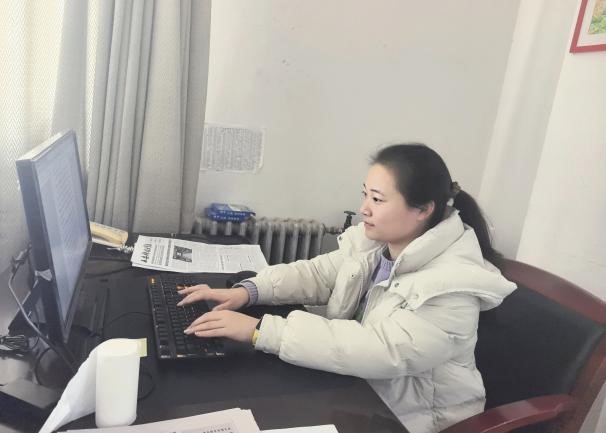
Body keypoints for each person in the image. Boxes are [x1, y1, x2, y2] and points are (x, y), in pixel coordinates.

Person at [177, 143, 516, 433]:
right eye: (365, 194)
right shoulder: (378, 245)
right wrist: (248, 291)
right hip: (361, 392)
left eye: (378, 199)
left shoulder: (453, 284)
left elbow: (382, 350)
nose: (364, 208)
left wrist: (260, 330)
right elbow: (319, 274)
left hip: (415, 419)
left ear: (423, 210)